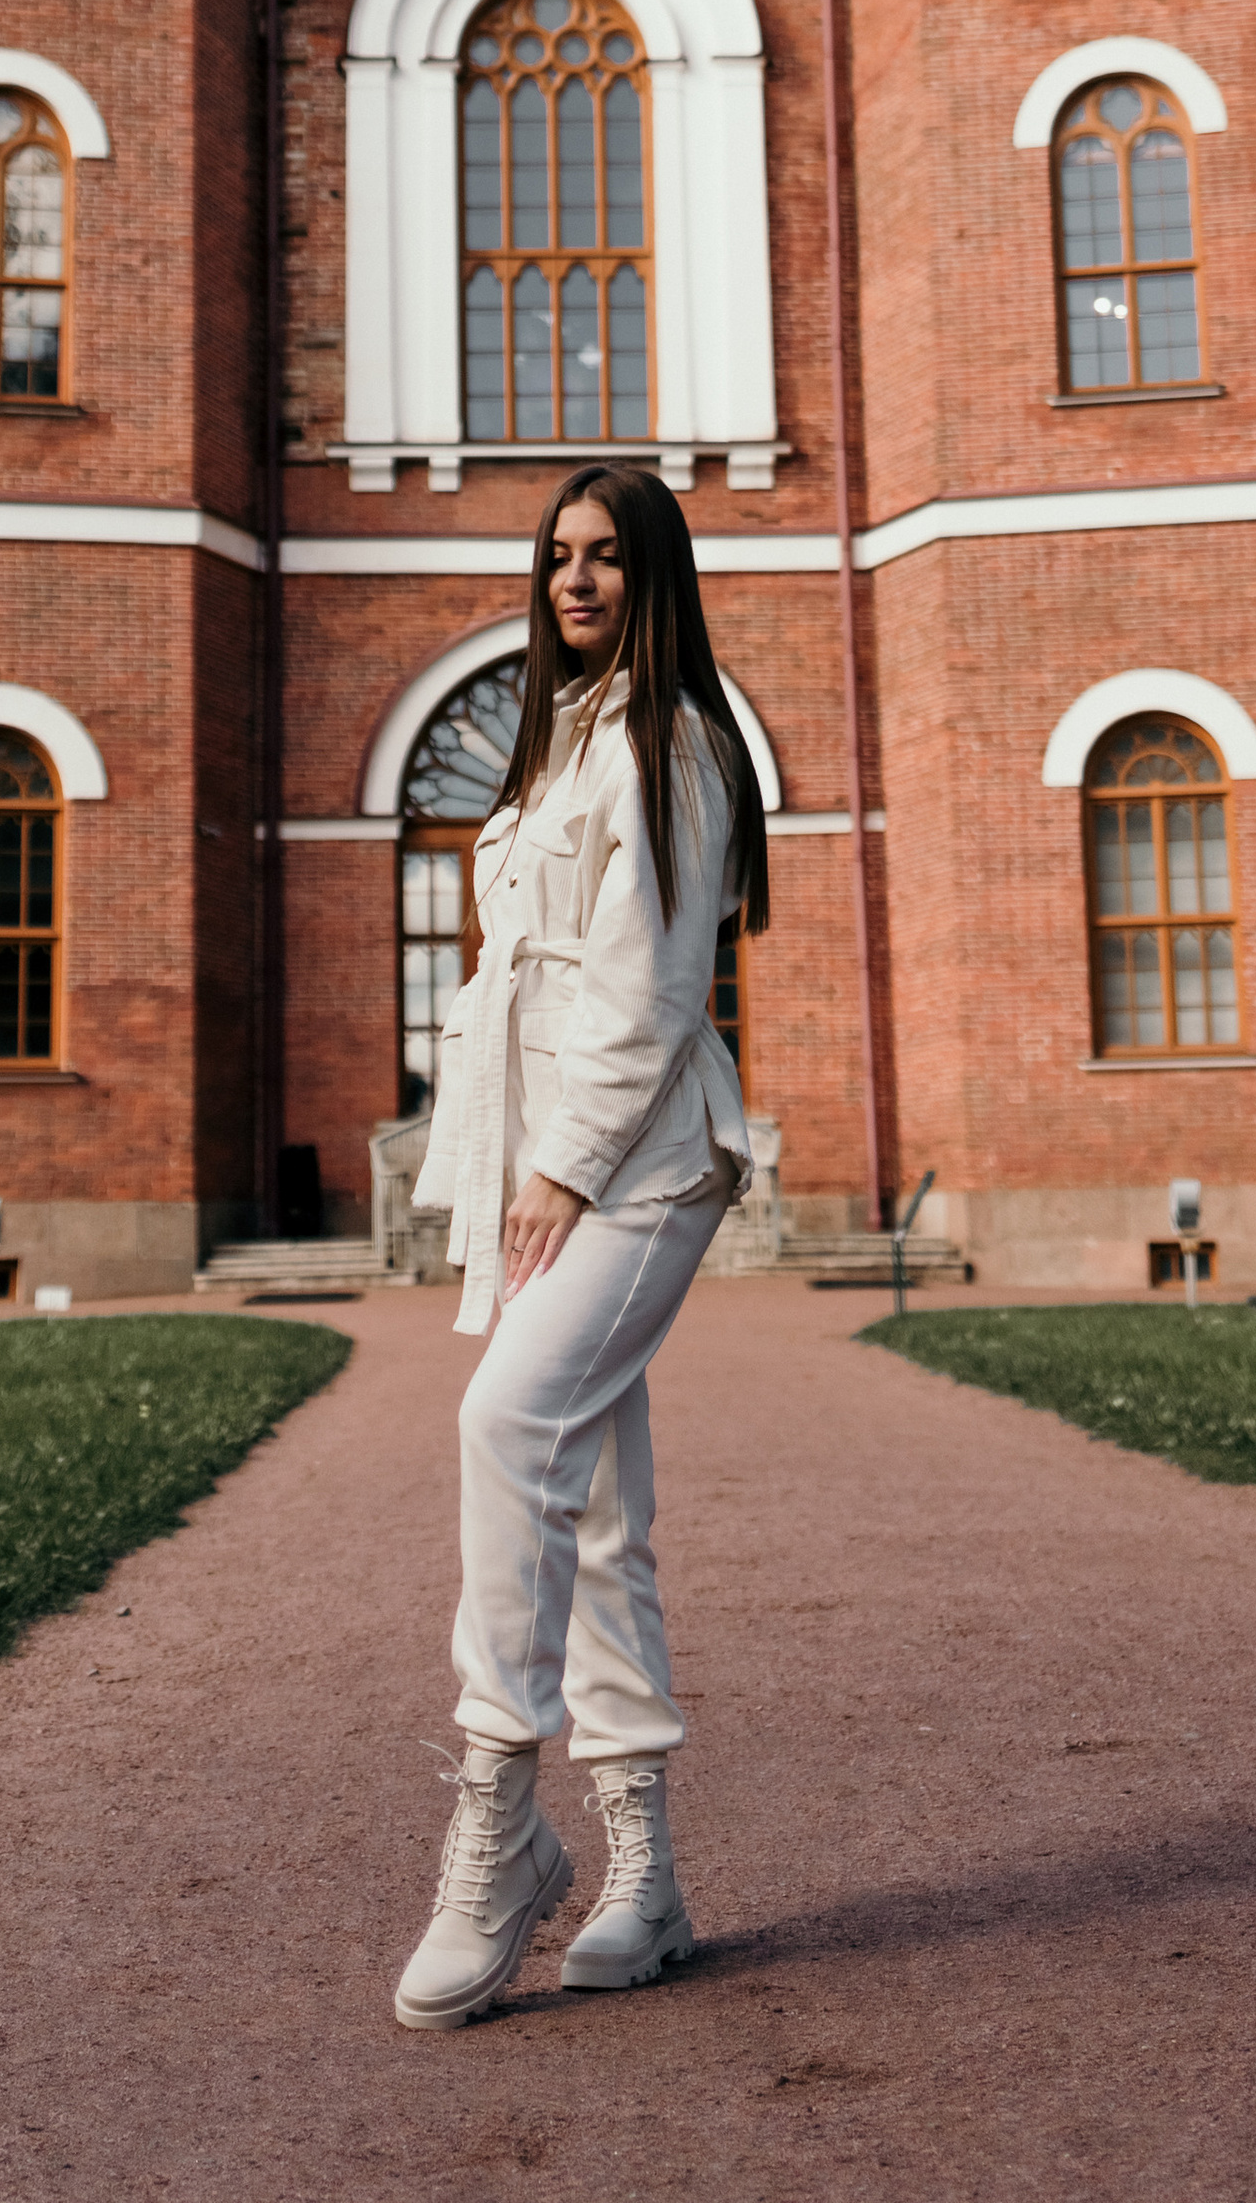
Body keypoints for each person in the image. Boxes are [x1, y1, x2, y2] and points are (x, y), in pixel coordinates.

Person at [393, 464, 769, 2032]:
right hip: (547, 1162)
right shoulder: (557, 743)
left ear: (653, 573)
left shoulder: (675, 744)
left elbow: (654, 985)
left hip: (639, 1169)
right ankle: (646, 1879)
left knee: (506, 1422)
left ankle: (498, 1817)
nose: (576, 580)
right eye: (559, 557)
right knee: (600, 1509)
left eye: (607, 556)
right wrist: (509, 1166)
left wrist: (562, 1167)